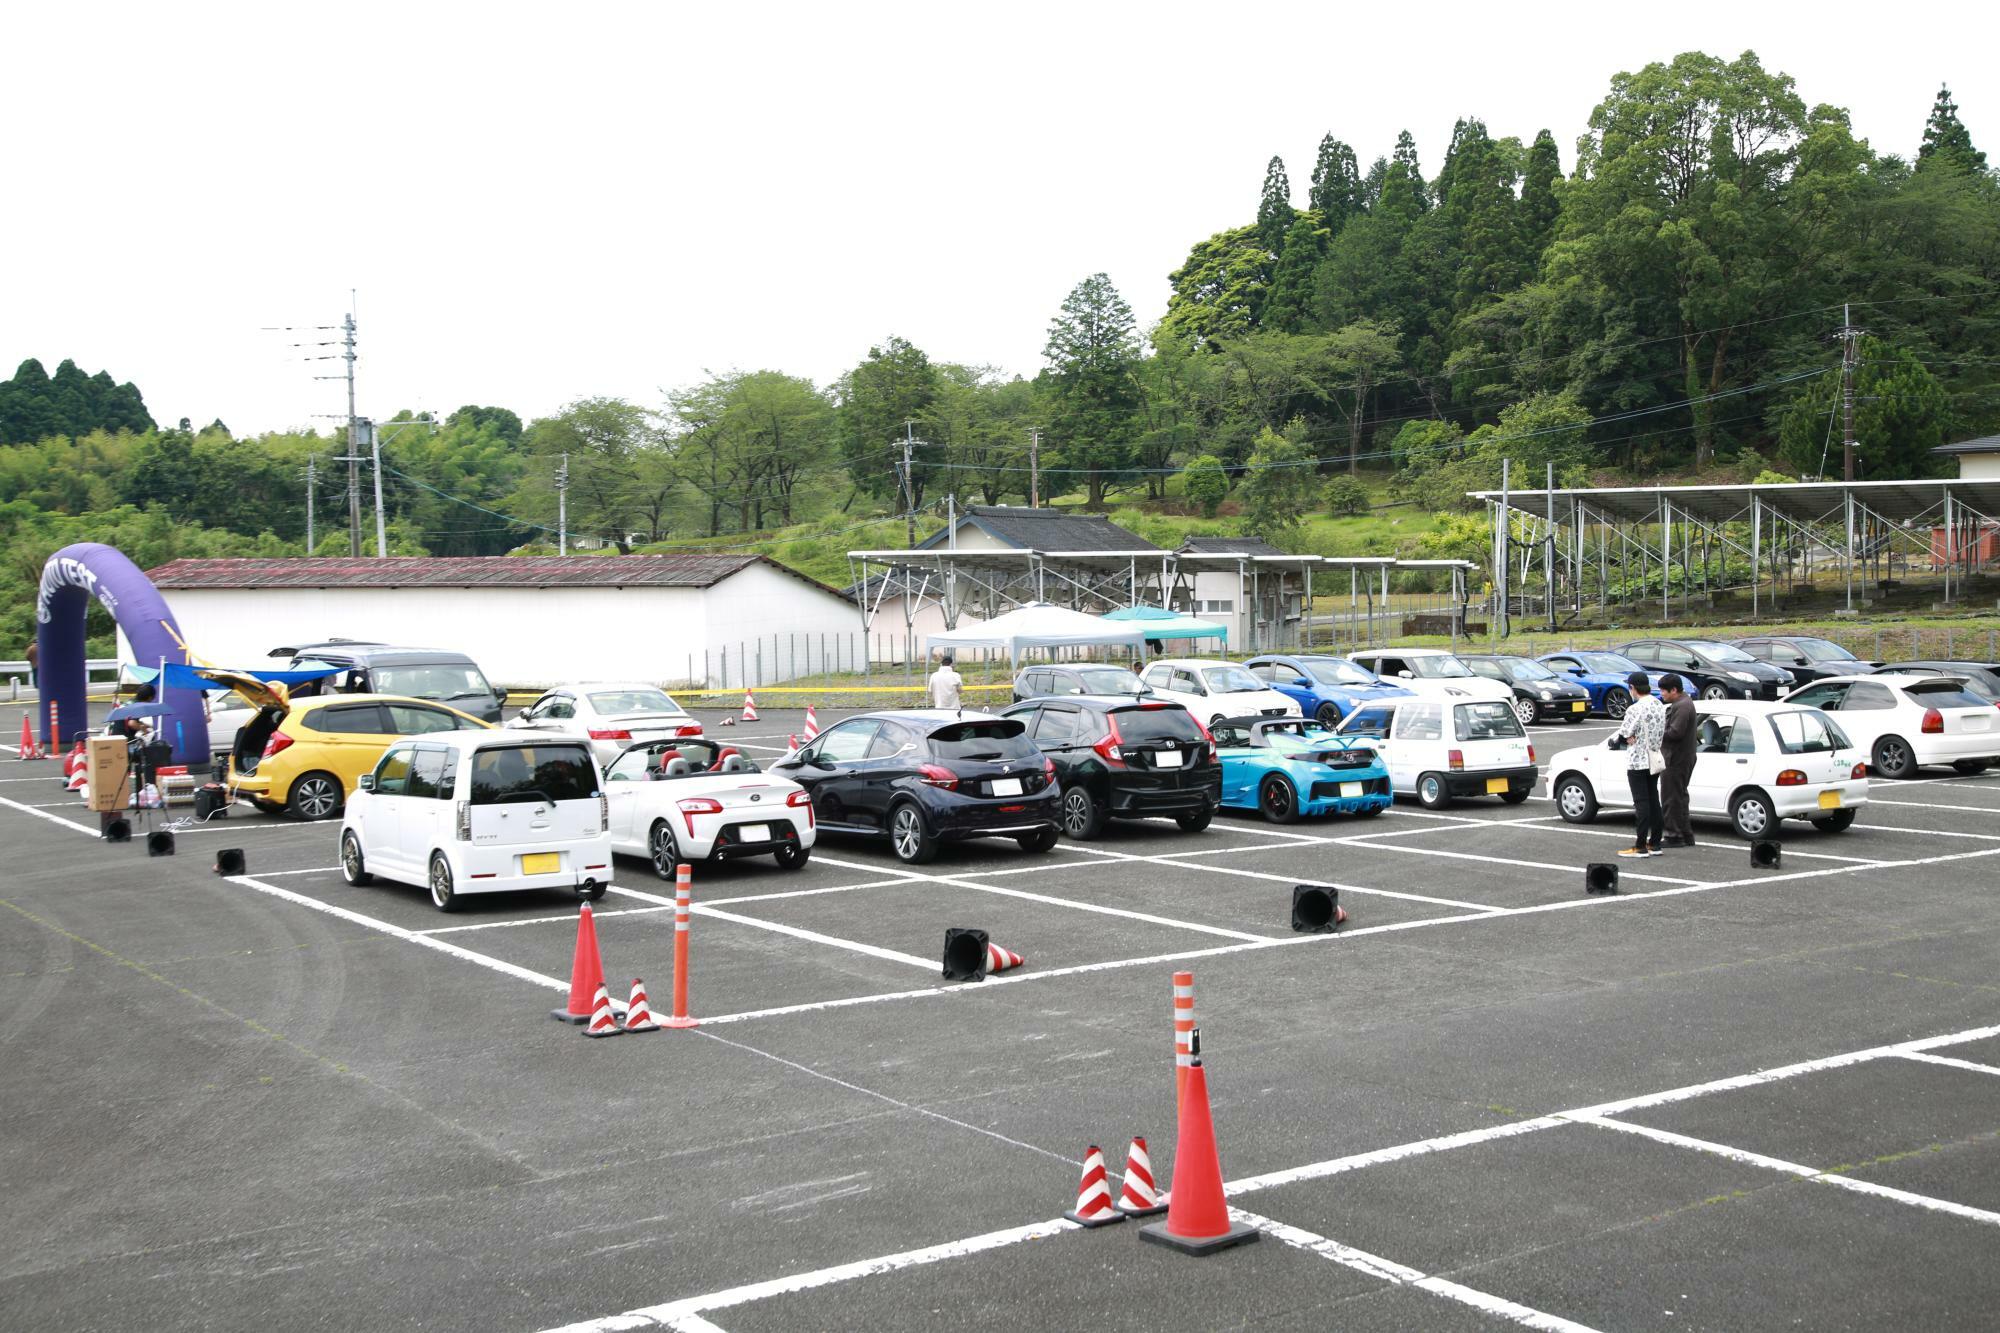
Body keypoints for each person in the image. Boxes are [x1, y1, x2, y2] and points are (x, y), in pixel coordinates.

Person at [1612, 670, 1666, 858]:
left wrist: (1624, 739)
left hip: (1638, 761)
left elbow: (1624, 732)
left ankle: (1640, 845)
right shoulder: (1659, 704)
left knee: (1641, 803)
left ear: (1633, 688)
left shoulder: (1635, 708)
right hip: (1654, 757)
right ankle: (1655, 843)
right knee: (1654, 801)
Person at [1658, 673, 1699, 847]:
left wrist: (1656, 733)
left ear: (1674, 689)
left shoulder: (1681, 706)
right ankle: (1685, 835)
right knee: (1679, 796)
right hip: (1683, 756)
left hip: (1676, 758)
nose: (1662, 695)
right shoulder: (1684, 703)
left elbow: (1675, 733)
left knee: (1671, 798)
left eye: (1664, 691)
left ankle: (1674, 835)